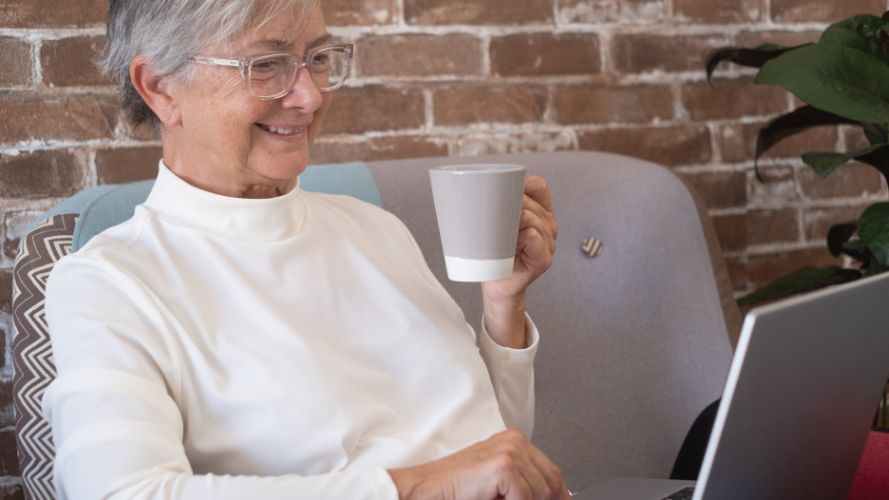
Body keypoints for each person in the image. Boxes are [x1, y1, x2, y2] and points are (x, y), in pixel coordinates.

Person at [42, 0, 566, 498]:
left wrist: (504, 307)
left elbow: (495, 454)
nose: (310, 96)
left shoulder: (377, 229)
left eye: (317, 58)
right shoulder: (110, 283)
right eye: (267, 65)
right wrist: (422, 487)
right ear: (159, 88)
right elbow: (119, 492)